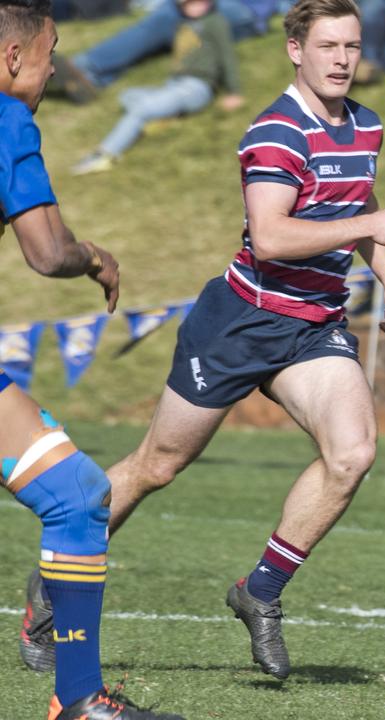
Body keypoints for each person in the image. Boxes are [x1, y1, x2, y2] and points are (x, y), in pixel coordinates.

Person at [20, 0, 385, 682]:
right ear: (295, 49)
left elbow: (358, 209)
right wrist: (374, 226)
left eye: (351, 45)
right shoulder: (276, 131)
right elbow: (271, 236)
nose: (342, 59)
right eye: (327, 45)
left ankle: (259, 590)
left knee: (352, 453)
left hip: (314, 327)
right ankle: (48, 589)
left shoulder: (365, 125)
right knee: (156, 467)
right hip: (240, 322)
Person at [1, 1, 183, 717]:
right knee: (76, 497)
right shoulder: (9, 117)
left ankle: (78, 700)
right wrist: (97, 258)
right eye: (50, 53)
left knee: (78, 496)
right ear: (15, 58)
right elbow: (47, 251)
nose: (53, 70)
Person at [71, 0, 244, 175]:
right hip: (175, 85)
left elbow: (227, 57)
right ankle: (165, 117)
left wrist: (234, 92)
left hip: (196, 87)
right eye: (189, 2)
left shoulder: (215, 22)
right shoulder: (182, 23)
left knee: (141, 109)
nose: (196, 5)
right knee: (127, 96)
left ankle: (106, 154)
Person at [49, 0, 263, 105]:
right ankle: (90, 78)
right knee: (168, 28)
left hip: (247, 10)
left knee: (168, 15)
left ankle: (85, 66)